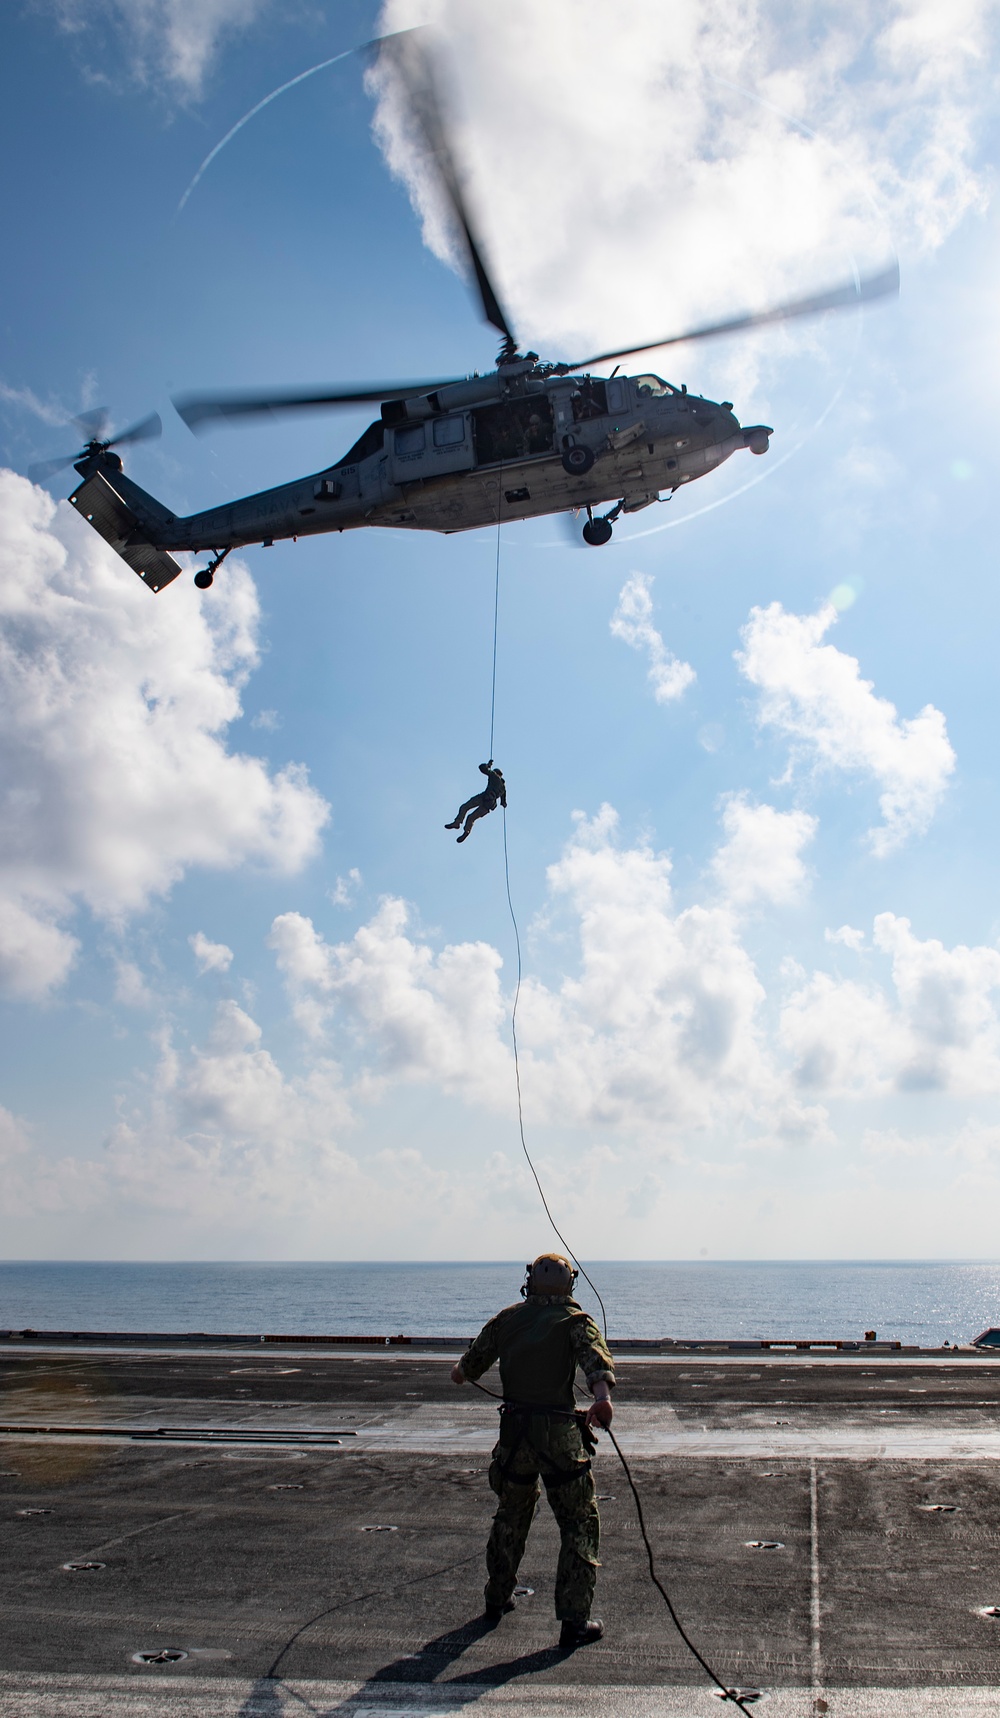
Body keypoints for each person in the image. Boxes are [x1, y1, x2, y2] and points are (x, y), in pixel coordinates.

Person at [450, 1252, 615, 1649]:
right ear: (569, 1285)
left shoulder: (507, 1320)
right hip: (559, 1438)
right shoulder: (577, 1321)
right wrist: (602, 1398)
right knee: (578, 1522)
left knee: (511, 1515)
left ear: (531, 1282)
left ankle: (497, 1597)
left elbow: (466, 1368)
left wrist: (459, 1372)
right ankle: (574, 1622)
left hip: (515, 1437)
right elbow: (595, 1363)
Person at [445, 760, 507, 843]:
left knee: (465, 807)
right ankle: (466, 831)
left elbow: (482, 768)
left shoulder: (494, 776)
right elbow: (503, 802)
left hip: (483, 797)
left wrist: (488, 765)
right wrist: (503, 803)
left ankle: (457, 822)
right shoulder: (503, 788)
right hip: (489, 805)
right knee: (471, 818)